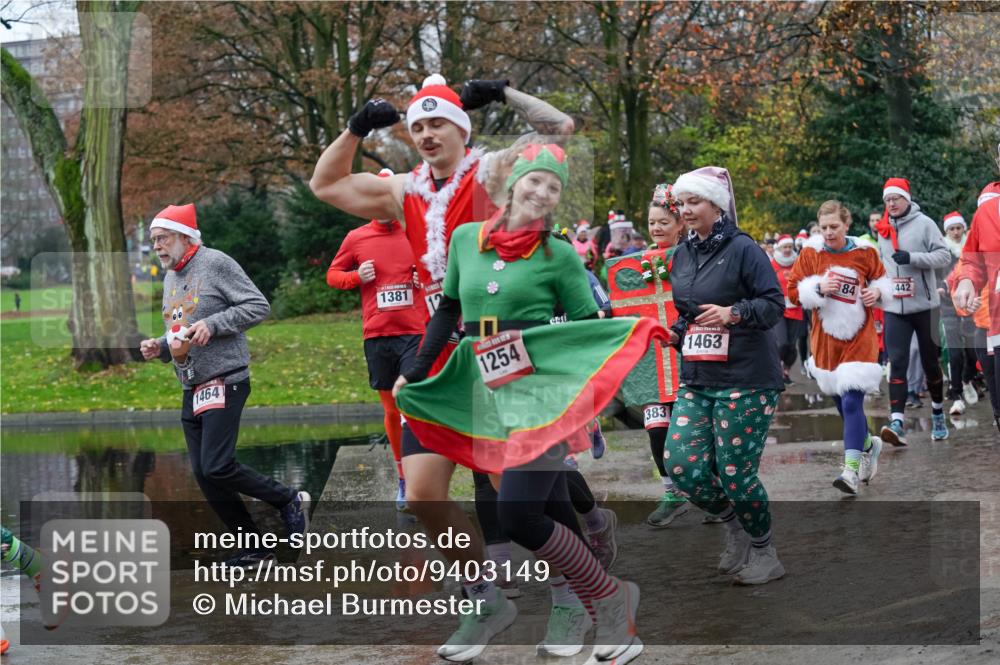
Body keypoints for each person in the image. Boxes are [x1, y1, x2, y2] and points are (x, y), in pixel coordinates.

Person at [310, 75, 577, 657]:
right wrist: (356, 128)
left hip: (500, 342)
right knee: (424, 493)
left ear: (462, 130)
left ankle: (570, 595)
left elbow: (559, 128)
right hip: (435, 351)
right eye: (418, 125)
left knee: (517, 492)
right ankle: (485, 599)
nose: (427, 134)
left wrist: (504, 92)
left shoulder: (491, 172)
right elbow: (325, 184)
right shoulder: (401, 189)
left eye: (439, 123)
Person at [395, 145, 661, 663]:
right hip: (469, 378)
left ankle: (595, 601)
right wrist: (416, 368)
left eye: (553, 187)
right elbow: (449, 309)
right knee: (429, 493)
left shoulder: (559, 255)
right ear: (513, 183)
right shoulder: (466, 239)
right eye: (534, 180)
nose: (541, 192)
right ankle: (495, 601)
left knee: (522, 511)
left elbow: (585, 328)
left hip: (534, 391)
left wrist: (626, 345)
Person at [138, 204, 309, 567]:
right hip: (191, 385)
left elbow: (257, 306)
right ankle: (254, 547)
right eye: (153, 241)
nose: (157, 247)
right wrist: (161, 346)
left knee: (217, 465)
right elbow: (181, 330)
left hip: (225, 379)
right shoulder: (170, 278)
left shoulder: (215, 263)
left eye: (163, 238)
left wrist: (213, 325)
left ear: (185, 237)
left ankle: (287, 499)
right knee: (204, 473)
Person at [663, 166, 786, 585]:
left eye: (694, 201)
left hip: (747, 378)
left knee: (736, 474)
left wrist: (733, 313)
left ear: (717, 205)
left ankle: (764, 551)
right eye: (682, 203)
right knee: (681, 465)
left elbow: (773, 304)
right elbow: (688, 312)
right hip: (698, 377)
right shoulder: (682, 253)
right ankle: (736, 527)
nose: (686, 210)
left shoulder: (744, 249)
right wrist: (675, 333)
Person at [325, 169, 428, 510]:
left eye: (388, 197)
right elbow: (332, 275)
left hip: (415, 330)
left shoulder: (416, 230)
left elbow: (442, 268)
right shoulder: (356, 237)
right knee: (391, 409)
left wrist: (423, 277)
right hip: (378, 333)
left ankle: (421, 477)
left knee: (411, 401)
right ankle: (402, 478)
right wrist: (357, 276)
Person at [787, 201, 890, 494]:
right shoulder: (811, 253)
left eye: (834, 226)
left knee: (852, 402)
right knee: (841, 404)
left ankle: (850, 472)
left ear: (847, 225)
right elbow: (793, 292)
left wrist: (877, 292)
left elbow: (883, 282)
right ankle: (869, 445)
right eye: (824, 228)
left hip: (860, 338)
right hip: (826, 341)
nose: (829, 232)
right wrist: (817, 289)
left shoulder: (865, 252)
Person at [608, 183, 690, 527]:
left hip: (687, 358)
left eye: (663, 222)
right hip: (651, 364)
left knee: (695, 432)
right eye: (652, 222)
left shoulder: (693, 256)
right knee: (657, 430)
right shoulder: (636, 265)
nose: (656, 228)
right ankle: (672, 493)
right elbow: (622, 302)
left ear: (680, 224)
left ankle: (714, 492)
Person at [874, 178, 952, 444]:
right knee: (897, 362)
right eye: (887, 200)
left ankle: (938, 412)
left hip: (926, 307)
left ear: (906, 199)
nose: (891, 203)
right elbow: (882, 265)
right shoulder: (882, 229)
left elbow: (944, 256)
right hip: (895, 307)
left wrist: (913, 258)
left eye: (895, 198)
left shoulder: (925, 223)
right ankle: (897, 422)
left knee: (930, 363)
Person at [953, 180, 1000, 432]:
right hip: (989, 325)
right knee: (992, 377)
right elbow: (968, 266)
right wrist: (966, 286)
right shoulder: (985, 217)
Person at [938, 211, 980, 415]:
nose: (955, 232)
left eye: (958, 228)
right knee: (954, 354)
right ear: (946, 231)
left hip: (970, 305)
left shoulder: (971, 249)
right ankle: (956, 396)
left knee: (973, 353)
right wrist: (939, 287)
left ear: (964, 228)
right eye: (951, 229)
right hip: (948, 308)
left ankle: (966, 379)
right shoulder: (942, 251)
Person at [770, 234, 805, 383]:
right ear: (779, 248)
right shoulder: (773, 264)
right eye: (785, 247)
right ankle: (776, 368)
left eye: (790, 247)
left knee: (791, 345)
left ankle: (786, 371)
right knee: (782, 342)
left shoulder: (798, 263)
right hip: (779, 308)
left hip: (796, 307)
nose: (787, 249)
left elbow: (805, 280)